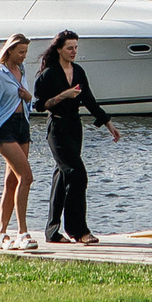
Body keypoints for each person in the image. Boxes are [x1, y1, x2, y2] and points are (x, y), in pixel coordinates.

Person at [34, 29, 120, 245]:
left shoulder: (78, 71)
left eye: (76, 48)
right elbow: (39, 106)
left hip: (75, 127)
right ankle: (79, 231)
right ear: (60, 49)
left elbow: (89, 99)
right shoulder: (48, 74)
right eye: (69, 48)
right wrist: (63, 95)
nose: (74, 51)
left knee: (62, 178)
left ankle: (52, 232)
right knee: (77, 174)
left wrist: (108, 123)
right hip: (57, 128)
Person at [0, 33, 38, 251]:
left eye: (25, 52)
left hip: (22, 125)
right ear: (9, 51)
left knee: (12, 182)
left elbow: (25, 99)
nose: (23, 56)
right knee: (27, 177)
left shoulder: (22, 71)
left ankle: (1, 234)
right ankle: (23, 232)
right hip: (4, 130)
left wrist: (28, 98)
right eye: (20, 52)